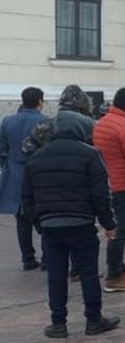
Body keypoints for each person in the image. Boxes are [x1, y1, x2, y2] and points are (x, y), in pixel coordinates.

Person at [22, 109, 120, 338]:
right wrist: (109, 224)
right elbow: (101, 195)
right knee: (88, 273)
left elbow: (27, 198)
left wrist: (39, 223)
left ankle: (58, 323)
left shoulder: (36, 157)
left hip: (50, 226)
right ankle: (94, 319)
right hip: (82, 224)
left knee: (56, 276)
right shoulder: (90, 154)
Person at [92, 87, 125, 293]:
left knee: (113, 229)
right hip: (124, 186)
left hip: (107, 183)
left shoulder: (102, 123)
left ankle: (118, 269)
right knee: (120, 231)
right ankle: (114, 275)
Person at [1, 86, 49, 271]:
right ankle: (47, 258)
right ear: (40, 101)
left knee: (22, 219)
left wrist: (8, 164)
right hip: (39, 175)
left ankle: (28, 259)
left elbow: (2, 149)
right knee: (44, 217)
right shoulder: (45, 121)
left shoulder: (8, 121)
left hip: (14, 174)